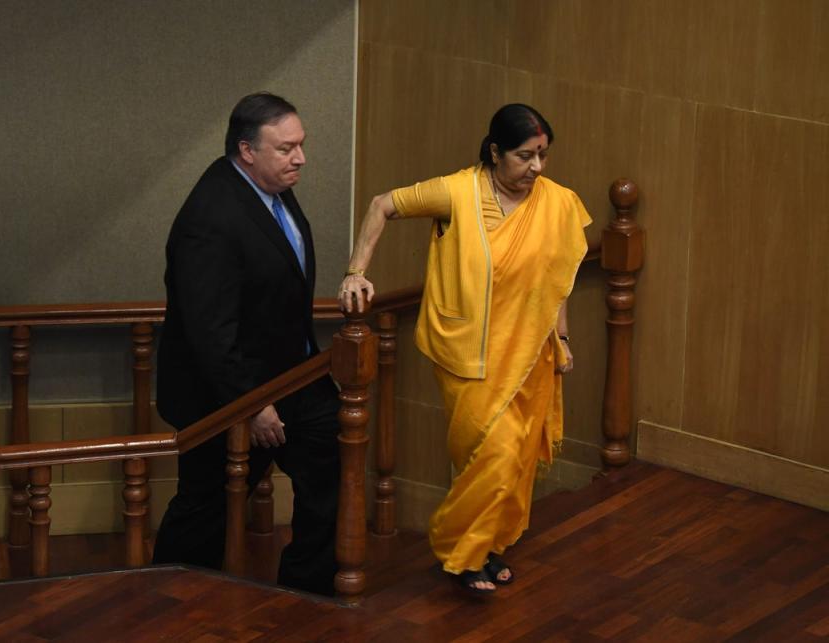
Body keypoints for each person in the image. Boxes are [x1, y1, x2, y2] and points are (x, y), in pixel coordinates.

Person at [339, 104, 590, 596]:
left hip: (530, 354)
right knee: (490, 454)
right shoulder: (456, 192)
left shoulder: (557, 203)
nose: (536, 167)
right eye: (524, 156)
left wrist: (561, 338)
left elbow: (557, 282)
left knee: (513, 460)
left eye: (542, 155)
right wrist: (356, 270)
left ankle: (484, 549)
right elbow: (381, 204)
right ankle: (459, 546)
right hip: (467, 354)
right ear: (495, 151)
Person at [153, 92, 341, 596]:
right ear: (247, 150)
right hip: (228, 395)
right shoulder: (209, 217)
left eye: (301, 145)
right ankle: (168, 601)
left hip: (297, 377)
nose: (300, 158)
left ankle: (306, 592)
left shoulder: (272, 185)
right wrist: (252, 404)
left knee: (331, 468)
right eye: (286, 149)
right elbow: (211, 331)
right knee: (204, 508)